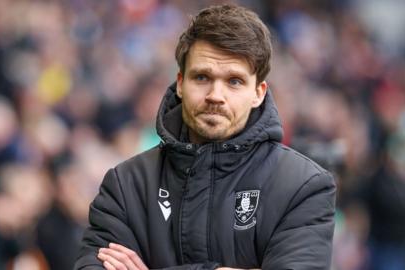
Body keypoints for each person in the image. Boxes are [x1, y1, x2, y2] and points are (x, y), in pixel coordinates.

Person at [74, 4, 336, 270]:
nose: (215, 95)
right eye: (202, 77)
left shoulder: (303, 186)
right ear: (180, 82)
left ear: (259, 92)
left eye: (234, 81)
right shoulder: (126, 185)